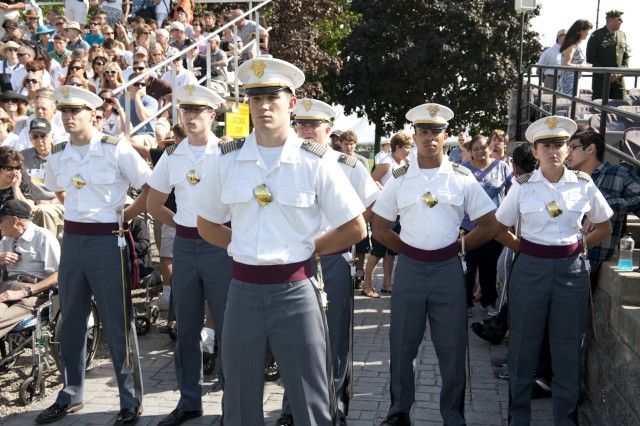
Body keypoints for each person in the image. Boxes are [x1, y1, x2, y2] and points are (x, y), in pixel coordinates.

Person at [195, 57, 366, 425]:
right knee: (239, 401)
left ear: (291, 103)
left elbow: (355, 227)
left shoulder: (315, 161)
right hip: (241, 291)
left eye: (272, 97)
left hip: (296, 290)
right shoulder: (227, 160)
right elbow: (206, 224)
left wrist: (306, 250)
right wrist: (240, 244)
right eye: (255, 99)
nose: (263, 106)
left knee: (311, 400)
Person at [372, 103, 498, 426]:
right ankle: (399, 412)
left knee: (453, 348)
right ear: (413, 135)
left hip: (447, 270)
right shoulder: (399, 179)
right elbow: (380, 227)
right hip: (411, 268)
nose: (430, 138)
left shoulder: (462, 178)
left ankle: (453, 417)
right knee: (402, 345)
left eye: (436, 132)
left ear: (446, 137)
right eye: (424, 132)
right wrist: (408, 250)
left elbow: (489, 223)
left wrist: (461, 246)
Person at [35, 86, 151, 426]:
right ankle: (71, 393)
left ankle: (130, 399)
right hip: (73, 241)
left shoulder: (115, 149)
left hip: (108, 241)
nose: (69, 117)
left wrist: (125, 216)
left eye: (76, 112)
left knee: (118, 322)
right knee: (71, 320)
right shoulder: (58, 153)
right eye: (64, 112)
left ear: (93, 115)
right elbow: (58, 188)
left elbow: (149, 186)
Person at [495, 116, 612, 425]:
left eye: (559, 145)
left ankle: (566, 420)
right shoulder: (522, 187)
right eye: (545, 146)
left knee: (568, 349)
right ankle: (517, 419)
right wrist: (523, 249)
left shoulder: (583, 184)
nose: (553, 151)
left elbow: (604, 226)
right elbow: (498, 227)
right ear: (535, 151)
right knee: (522, 347)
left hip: (570, 271)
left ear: (566, 149)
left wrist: (580, 247)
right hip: (530, 270)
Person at [275, 98, 379, 425]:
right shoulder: (284, 161)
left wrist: (343, 231)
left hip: (332, 258)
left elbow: (372, 205)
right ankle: (292, 408)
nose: (306, 130)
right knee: (294, 338)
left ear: (328, 129)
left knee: (334, 338)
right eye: (301, 124)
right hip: (293, 259)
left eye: (313, 124)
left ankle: (335, 406)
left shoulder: (348, 165)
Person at [147, 85, 231, 426]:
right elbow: (154, 204)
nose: (191, 116)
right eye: (186, 111)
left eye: (199, 111)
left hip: (221, 245)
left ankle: (232, 398)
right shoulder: (172, 155)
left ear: (212, 116)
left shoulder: (229, 152)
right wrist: (185, 225)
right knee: (186, 327)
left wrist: (218, 232)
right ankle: (189, 400)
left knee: (229, 324)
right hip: (185, 244)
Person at [566, 127, 640, 282]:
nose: (567, 153)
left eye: (573, 148)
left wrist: (604, 207)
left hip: (588, 265)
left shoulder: (617, 174)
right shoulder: (567, 179)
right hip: (560, 259)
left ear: (591, 149)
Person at [461, 135, 513, 316]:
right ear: (470, 152)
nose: (480, 152)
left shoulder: (502, 167)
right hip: (468, 226)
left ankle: (488, 301)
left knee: (489, 267)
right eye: (475, 149)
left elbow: (512, 192)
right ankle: (465, 302)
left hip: (494, 228)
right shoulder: (463, 170)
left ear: (489, 148)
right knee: (467, 267)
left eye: (483, 147)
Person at [0, 199, 60, 339]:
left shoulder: (43, 236)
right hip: (7, 289)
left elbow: (58, 275)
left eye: (1, 221)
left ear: (14, 220)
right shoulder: (6, 240)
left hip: (34, 292)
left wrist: (24, 292)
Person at [363, 133, 413, 298]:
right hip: (383, 213)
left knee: (392, 250)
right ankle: (367, 284)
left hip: (398, 212)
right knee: (378, 251)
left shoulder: (405, 163)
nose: (409, 150)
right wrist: (385, 192)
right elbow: (371, 179)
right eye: (407, 147)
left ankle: (386, 284)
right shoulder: (386, 162)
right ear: (397, 147)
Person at [20, 118, 65, 237]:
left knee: (44, 212)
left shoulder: (64, 155)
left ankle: (46, 249)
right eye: (35, 136)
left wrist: (50, 203)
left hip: (58, 202)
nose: (39, 140)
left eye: (43, 136)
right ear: (30, 138)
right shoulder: (23, 157)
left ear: (52, 136)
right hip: (31, 203)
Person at [586, 10, 631, 100]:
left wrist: (620, 72)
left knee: (620, 107)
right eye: (619, 19)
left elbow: (626, 56)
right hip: (601, 81)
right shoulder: (597, 35)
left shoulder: (622, 35)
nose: (622, 22)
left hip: (618, 81)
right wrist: (607, 74)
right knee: (599, 109)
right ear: (610, 21)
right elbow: (591, 58)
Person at [120, 72, 158, 148]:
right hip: (128, 134)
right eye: (136, 84)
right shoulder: (122, 101)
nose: (140, 86)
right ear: (129, 86)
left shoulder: (151, 101)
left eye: (143, 84)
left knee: (132, 142)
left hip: (146, 135)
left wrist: (137, 96)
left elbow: (143, 117)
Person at [558, 19, 593, 96]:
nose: (588, 33)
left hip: (574, 80)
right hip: (569, 83)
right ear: (579, 31)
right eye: (587, 30)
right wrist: (582, 66)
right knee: (568, 104)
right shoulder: (572, 46)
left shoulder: (575, 46)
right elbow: (565, 64)